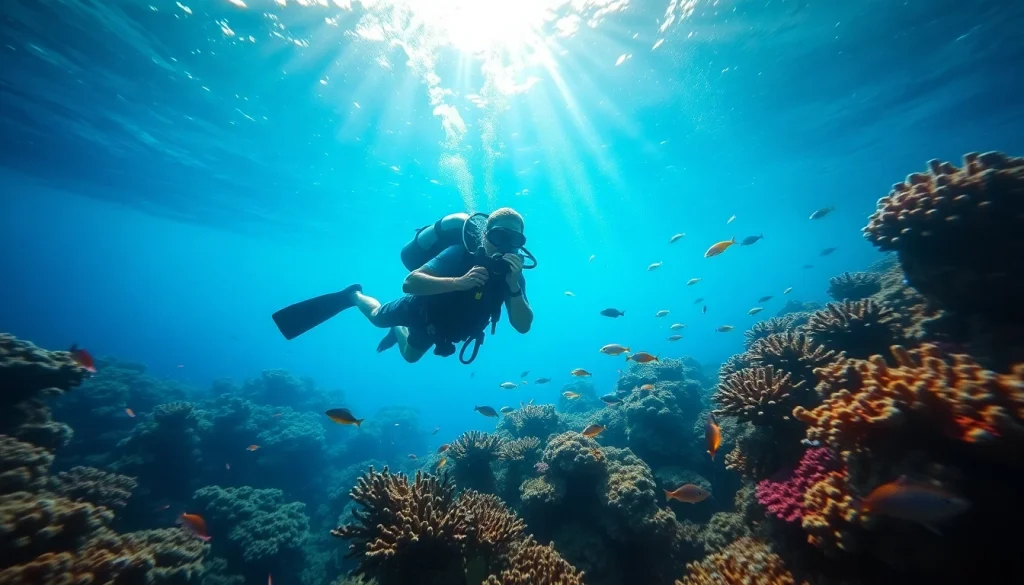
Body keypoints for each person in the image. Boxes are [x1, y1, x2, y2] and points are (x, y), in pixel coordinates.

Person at [271, 208, 535, 364]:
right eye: (498, 236)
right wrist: (459, 282)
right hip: (421, 311)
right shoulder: (458, 254)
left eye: (513, 239)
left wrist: (513, 286)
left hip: (448, 328)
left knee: (410, 357)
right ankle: (353, 295)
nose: (504, 245)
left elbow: (523, 326)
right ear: (485, 235)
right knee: (376, 318)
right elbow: (409, 283)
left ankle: (398, 331)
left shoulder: (513, 275)